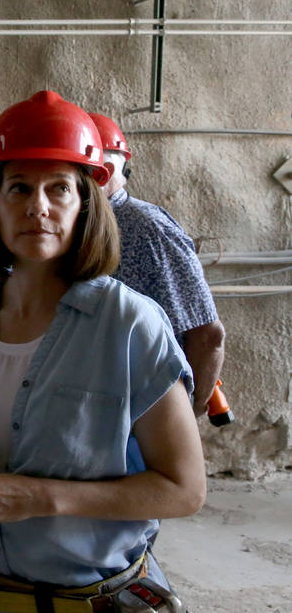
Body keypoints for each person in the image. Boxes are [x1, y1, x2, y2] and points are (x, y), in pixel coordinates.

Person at [0, 91, 206, 612]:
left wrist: (39, 497)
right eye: (19, 188)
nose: (38, 206)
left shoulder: (129, 324)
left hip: (85, 600)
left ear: (85, 204)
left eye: (60, 188)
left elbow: (184, 489)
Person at [90, 112, 226, 416]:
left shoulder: (148, 229)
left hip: (141, 421)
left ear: (108, 170)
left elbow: (207, 335)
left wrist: (185, 421)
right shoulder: (73, 231)